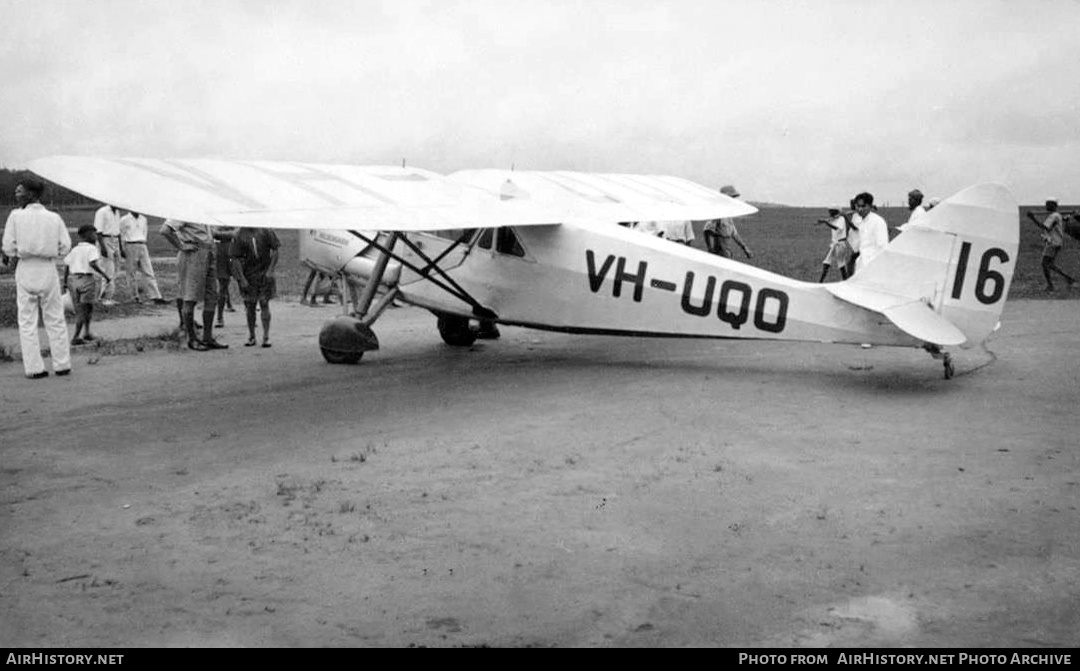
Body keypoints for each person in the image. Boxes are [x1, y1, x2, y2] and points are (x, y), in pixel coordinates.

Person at [1, 178, 73, 378]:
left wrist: (20, 251)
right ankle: (62, 365)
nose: (16, 194)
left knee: (27, 320)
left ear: (31, 194)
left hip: (26, 267)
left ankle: (34, 368)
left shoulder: (16, 216)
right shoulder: (54, 217)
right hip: (47, 267)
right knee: (55, 317)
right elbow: (65, 246)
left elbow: (8, 247)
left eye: (19, 191)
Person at [159, 219, 227, 350]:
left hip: (208, 251)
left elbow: (210, 233)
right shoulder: (184, 211)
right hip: (193, 253)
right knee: (190, 296)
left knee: (212, 296)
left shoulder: (201, 213)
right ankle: (192, 338)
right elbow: (165, 230)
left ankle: (207, 338)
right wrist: (181, 246)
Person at [229, 226, 280, 347]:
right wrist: (241, 278)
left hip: (264, 272)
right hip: (249, 274)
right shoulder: (239, 234)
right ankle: (252, 336)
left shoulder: (266, 230)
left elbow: (276, 250)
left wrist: (270, 270)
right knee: (250, 305)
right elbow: (234, 258)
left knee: (264, 303)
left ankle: (266, 337)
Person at [62, 224, 112, 344]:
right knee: (85, 310)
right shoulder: (92, 249)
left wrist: (64, 283)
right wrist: (105, 276)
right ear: (86, 235)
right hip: (87, 280)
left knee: (84, 308)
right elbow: (93, 264)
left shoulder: (75, 249)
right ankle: (76, 337)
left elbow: (67, 265)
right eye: (93, 234)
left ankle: (86, 332)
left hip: (74, 280)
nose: (95, 237)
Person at [118, 210, 166, 304]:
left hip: (142, 244)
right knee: (131, 272)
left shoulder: (143, 219)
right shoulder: (124, 219)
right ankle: (134, 297)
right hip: (130, 245)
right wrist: (122, 249)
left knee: (148, 271)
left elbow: (144, 232)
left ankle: (156, 296)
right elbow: (121, 235)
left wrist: (143, 243)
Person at [1027, 199, 1076, 291]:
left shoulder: (1054, 216)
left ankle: (1050, 286)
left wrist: (1032, 218)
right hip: (1056, 242)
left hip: (1053, 243)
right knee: (1050, 264)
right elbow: (1064, 219)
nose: (1046, 207)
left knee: (1044, 263)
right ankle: (1068, 279)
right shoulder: (1056, 215)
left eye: (1048, 205)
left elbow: (1045, 227)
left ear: (1053, 206)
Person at [703, 185, 753, 259]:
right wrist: (711, 250)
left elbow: (734, 234)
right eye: (731, 198)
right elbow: (707, 230)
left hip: (727, 252)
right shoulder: (718, 213)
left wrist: (745, 248)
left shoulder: (728, 215)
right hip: (719, 252)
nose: (733, 200)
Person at [93, 203, 123, 306]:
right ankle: (103, 298)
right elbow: (98, 232)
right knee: (107, 269)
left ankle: (109, 295)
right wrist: (102, 247)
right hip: (105, 240)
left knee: (116, 269)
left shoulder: (117, 212)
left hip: (115, 240)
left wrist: (121, 247)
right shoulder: (102, 212)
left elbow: (118, 232)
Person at [851, 192, 888, 273]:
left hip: (873, 267)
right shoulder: (862, 222)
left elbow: (882, 247)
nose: (860, 209)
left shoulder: (877, 221)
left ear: (870, 206)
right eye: (858, 206)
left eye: (863, 206)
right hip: (862, 263)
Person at [815, 206, 851, 282]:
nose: (829, 213)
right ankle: (820, 281)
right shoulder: (834, 218)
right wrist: (823, 221)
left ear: (835, 211)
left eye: (831, 211)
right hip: (835, 244)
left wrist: (826, 222)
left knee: (841, 265)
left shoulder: (841, 219)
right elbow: (829, 220)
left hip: (840, 244)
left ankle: (846, 282)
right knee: (826, 263)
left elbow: (837, 228)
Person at [214, 230, 237, 327]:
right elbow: (213, 232)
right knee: (223, 284)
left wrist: (220, 234)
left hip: (234, 249)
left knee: (243, 282)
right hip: (222, 251)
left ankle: (250, 313)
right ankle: (220, 317)